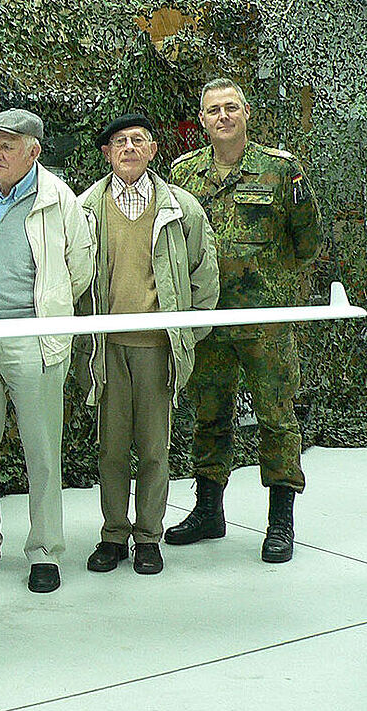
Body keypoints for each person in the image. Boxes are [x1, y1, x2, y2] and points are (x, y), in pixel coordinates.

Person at [166, 78, 323, 562]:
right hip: (209, 320)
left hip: (265, 323)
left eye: (231, 107)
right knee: (209, 416)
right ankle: (208, 510)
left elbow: (308, 240)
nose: (223, 116)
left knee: (277, 418)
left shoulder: (280, 170)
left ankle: (280, 522)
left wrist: (272, 283)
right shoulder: (183, 174)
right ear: (203, 119)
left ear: (246, 112)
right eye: (214, 110)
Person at [0, 108, 94, 593]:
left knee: (42, 449)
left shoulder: (58, 198)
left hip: (33, 336)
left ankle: (45, 551)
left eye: (6, 146)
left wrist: (47, 312)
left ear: (33, 151)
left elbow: (79, 267)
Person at [77, 113, 219, 575]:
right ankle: (113, 535)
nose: (129, 148)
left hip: (157, 349)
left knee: (155, 450)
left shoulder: (180, 208)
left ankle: (148, 538)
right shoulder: (86, 208)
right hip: (107, 349)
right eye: (120, 141)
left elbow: (204, 275)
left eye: (138, 140)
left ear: (153, 150)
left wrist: (185, 335)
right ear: (107, 153)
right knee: (111, 450)